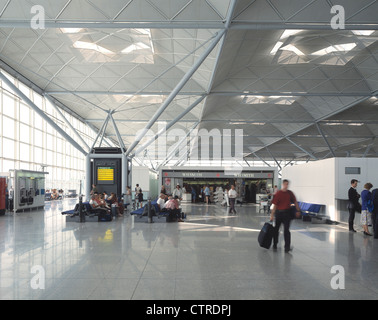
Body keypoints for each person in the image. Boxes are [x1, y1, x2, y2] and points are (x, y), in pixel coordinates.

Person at [270, 179, 300, 253]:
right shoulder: (279, 193)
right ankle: (275, 243)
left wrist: (298, 210)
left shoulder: (290, 193)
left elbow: (295, 201)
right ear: (283, 184)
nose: (286, 186)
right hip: (279, 214)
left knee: (286, 230)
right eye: (285, 184)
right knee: (276, 230)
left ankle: (287, 247)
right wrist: (272, 215)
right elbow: (275, 205)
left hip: (287, 213)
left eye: (287, 184)